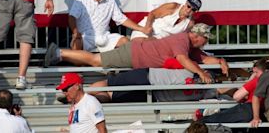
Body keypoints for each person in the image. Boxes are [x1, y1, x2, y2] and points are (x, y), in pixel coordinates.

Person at [45, 23, 229, 83]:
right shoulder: (182, 40)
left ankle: (59, 53)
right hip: (133, 54)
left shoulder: (189, 46)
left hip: (136, 56)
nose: (207, 42)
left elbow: (204, 59)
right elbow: (182, 59)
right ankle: (59, 52)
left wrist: (221, 61)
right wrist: (201, 73)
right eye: (207, 38)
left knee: (96, 62)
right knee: (95, 61)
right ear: (198, 36)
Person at [69, 0, 151, 52]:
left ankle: (100, 60)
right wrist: (76, 32)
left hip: (104, 37)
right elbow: (72, 16)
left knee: (125, 42)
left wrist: (141, 29)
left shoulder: (110, 1)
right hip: (85, 37)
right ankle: (93, 60)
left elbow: (121, 19)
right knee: (76, 45)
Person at [88, 68, 224, 103]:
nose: (210, 79)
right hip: (148, 75)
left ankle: (85, 99)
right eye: (211, 75)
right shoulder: (193, 67)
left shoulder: (208, 92)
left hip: (154, 96)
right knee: (110, 83)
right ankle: (84, 94)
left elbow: (226, 90)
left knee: (112, 96)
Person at [199, 57, 269, 123]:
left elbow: (236, 96)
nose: (255, 74)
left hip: (249, 110)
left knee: (218, 117)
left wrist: (250, 80)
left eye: (256, 72)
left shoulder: (258, 80)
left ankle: (201, 121)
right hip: (264, 111)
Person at [130, 0, 202, 40]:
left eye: (193, 9)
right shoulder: (173, 6)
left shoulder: (190, 23)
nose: (189, 10)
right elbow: (152, 14)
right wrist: (147, 27)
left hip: (160, 41)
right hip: (146, 30)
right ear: (185, 3)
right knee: (139, 44)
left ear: (196, 11)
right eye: (188, 6)